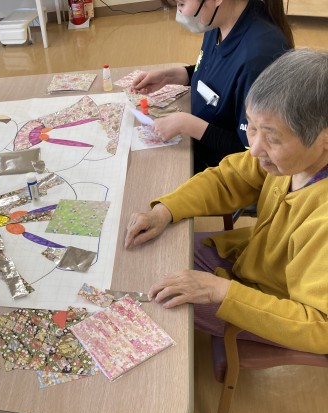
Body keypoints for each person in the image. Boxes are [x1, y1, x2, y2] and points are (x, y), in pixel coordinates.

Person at [124, 49, 328, 354]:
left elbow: (320, 327)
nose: (254, 149)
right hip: (252, 263)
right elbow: (227, 179)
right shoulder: (293, 160)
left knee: (154, 304)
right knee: (154, 260)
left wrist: (222, 292)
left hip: (278, 310)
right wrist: (165, 210)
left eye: (272, 138)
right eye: (252, 128)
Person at [132, 0, 293, 173]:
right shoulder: (218, 19)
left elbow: (250, 155)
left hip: (226, 172)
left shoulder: (258, 56)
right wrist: (172, 76)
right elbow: (218, 73)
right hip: (199, 148)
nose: (180, 13)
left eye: (182, 3)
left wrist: (186, 124)